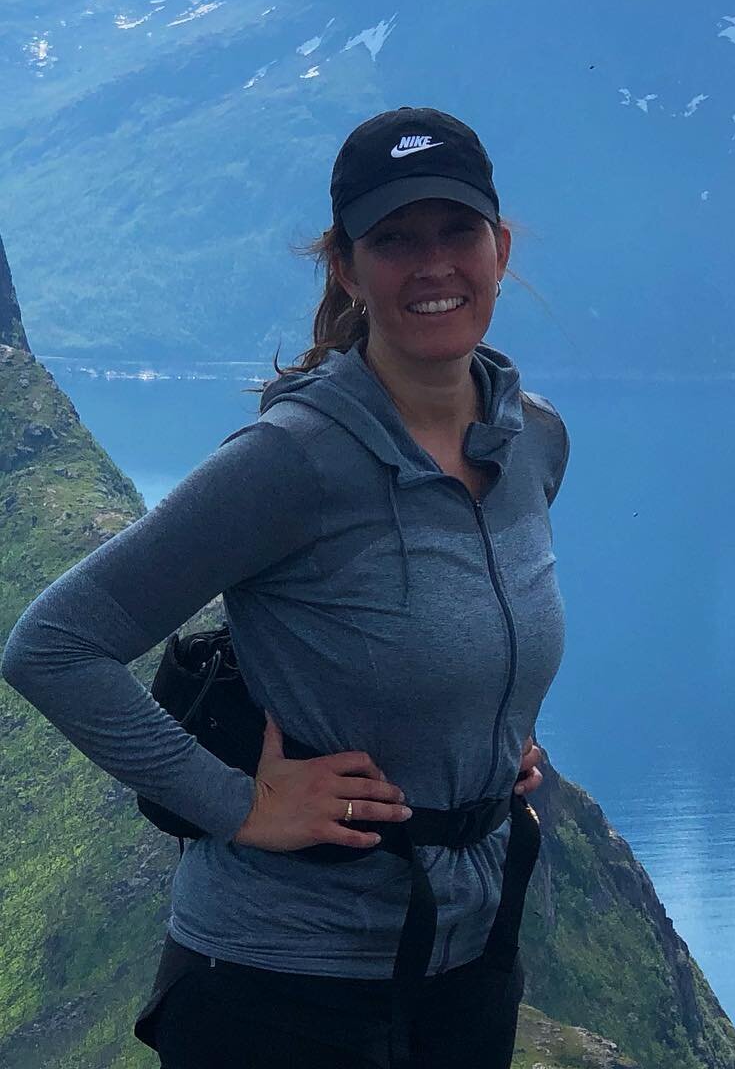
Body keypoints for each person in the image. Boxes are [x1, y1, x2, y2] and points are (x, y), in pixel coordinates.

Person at [0, 106, 570, 1068]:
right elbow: (52, 645)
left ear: (500, 246)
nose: (433, 265)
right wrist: (240, 805)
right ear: (346, 267)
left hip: (468, 968)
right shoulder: (294, 460)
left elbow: (459, 625)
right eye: (395, 239)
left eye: (457, 231)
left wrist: (489, 730)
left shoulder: (531, 441)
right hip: (282, 992)